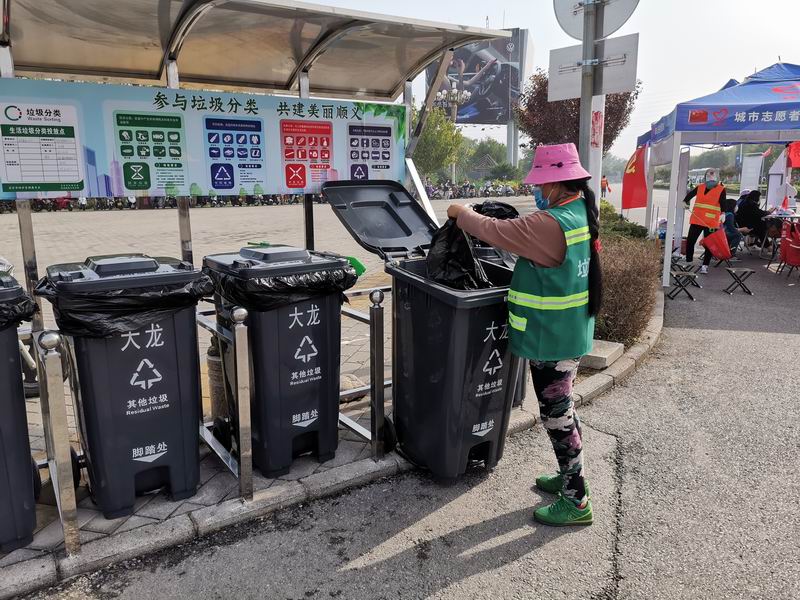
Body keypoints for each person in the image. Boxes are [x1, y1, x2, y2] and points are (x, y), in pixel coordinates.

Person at [447, 143, 599, 527]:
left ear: (554, 184)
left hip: (553, 338)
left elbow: (495, 231)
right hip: (571, 330)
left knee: (557, 416)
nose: (537, 190)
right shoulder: (579, 211)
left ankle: (576, 500)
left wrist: (462, 213)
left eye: (540, 184)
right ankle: (569, 475)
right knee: (563, 410)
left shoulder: (550, 224)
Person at [683, 168, 726, 274]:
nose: (710, 178)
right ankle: (689, 261)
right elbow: (690, 195)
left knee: (709, 244)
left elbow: (723, 203)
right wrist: (685, 201)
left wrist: (723, 213)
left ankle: (705, 266)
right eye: (708, 176)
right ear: (705, 177)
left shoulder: (721, 189)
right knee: (690, 241)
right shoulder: (700, 187)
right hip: (697, 219)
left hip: (711, 222)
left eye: (713, 176)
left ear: (717, 178)